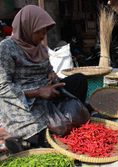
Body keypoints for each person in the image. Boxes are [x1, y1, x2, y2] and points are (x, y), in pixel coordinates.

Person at [0, 5, 90, 153]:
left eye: (45, 31)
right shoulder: (6, 48)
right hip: (24, 101)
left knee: (79, 81)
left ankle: (61, 117)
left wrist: (53, 75)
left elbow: (48, 69)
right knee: (42, 133)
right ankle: (19, 138)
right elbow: (3, 87)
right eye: (40, 31)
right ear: (26, 28)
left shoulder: (39, 47)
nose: (43, 35)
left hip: (47, 92)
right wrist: (38, 92)